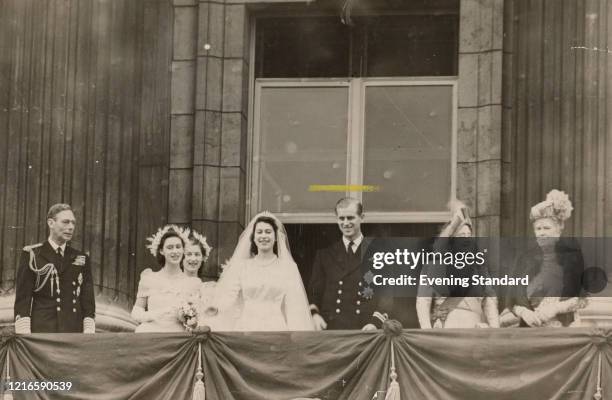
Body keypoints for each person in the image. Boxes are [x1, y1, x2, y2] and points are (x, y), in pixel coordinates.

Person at [212, 212, 314, 331]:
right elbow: (229, 295)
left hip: (275, 328)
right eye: (259, 232)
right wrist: (217, 308)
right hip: (246, 327)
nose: (263, 236)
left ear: (276, 237)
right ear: (253, 237)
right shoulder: (243, 266)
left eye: (268, 232)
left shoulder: (288, 267)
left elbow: (294, 305)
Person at [506, 190, 585, 327]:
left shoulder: (572, 257)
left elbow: (583, 299)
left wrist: (555, 308)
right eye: (538, 228)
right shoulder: (524, 258)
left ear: (559, 228)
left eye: (547, 228)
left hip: (563, 328)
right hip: (529, 328)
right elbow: (510, 299)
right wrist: (523, 312)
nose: (542, 233)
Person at [415, 200, 499, 329]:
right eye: (461, 235)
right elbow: (423, 301)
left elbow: (489, 301)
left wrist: (495, 330)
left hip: (475, 328)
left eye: (468, 235)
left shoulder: (479, 268)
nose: (466, 239)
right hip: (447, 327)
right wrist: (427, 331)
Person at [14, 203, 96, 333]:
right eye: (65, 222)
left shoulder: (81, 258)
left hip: (73, 331)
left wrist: (89, 331)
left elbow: (88, 299)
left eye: (73, 223)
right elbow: (23, 299)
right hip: (42, 331)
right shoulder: (32, 254)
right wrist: (25, 334)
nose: (70, 227)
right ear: (51, 223)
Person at [308, 198, 382, 330]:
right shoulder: (324, 255)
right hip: (331, 329)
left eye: (350, 218)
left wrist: (375, 323)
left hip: (365, 329)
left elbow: (387, 296)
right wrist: (314, 315)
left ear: (362, 217)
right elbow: (315, 293)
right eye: (341, 218)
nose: (346, 223)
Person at [131, 225, 202, 333]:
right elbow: (136, 312)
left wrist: (189, 319)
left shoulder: (193, 283)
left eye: (178, 247)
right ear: (161, 251)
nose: (175, 251)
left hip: (179, 337)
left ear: (183, 250)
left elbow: (198, 317)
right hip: (151, 333)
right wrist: (157, 314)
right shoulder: (149, 279)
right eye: (170, 247)